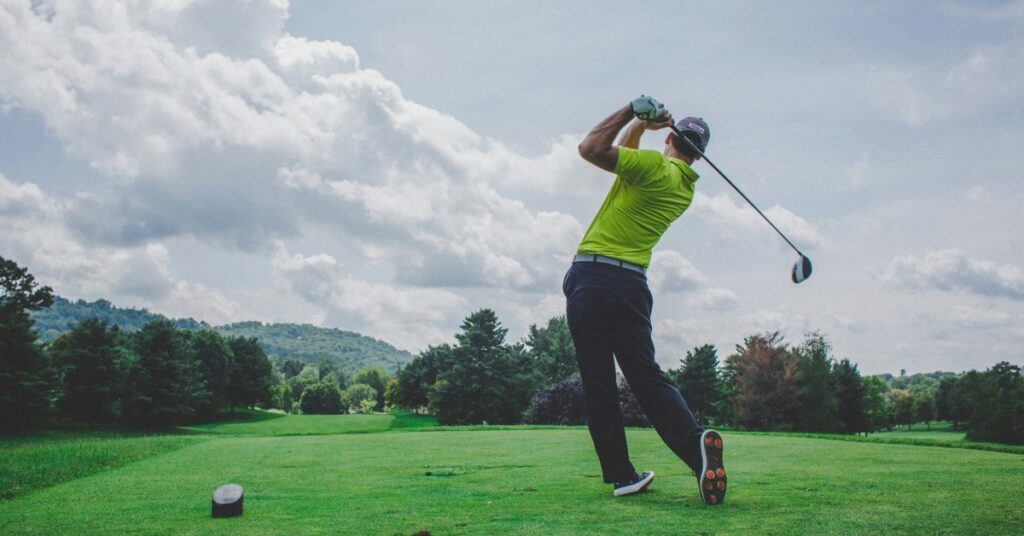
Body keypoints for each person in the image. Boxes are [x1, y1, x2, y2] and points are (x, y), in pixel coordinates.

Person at [563, 95, 726, 505]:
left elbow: (591, 149)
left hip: (594, 277)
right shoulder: (682, 186)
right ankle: (696, 451)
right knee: (646, 377)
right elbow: (628, 156)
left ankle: (621, 474)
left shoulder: (653, 167)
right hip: (632, 286)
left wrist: (629, 111)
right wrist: (642, 127)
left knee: (599, 382)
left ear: (670, 138)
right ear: (700, 158)